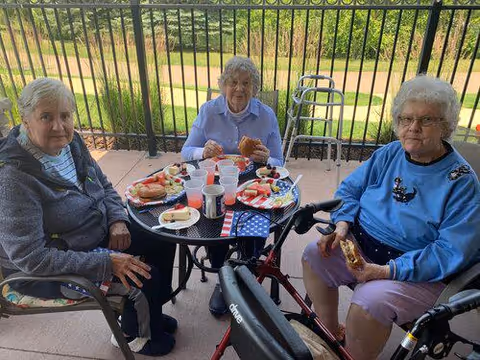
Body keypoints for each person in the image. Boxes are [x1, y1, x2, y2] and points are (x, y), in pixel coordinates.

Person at [302, 75, 480, 360]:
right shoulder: (390, 153)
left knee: (368, 302)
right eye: (406, 118)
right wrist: (343, 225)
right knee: (315, 255)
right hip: (362, 247)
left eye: (426, 120)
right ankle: (331, 332)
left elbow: (450, 252)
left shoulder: (461, 182)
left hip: (417, 272)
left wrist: (385, 272)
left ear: (445, 126)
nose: (413, 128)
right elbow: (350, 190)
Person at [0, 78, 178, 356]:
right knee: (145, 277)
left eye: (65, 115)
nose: (59, 126)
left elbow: (104, 186)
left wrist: (116, 220)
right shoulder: (14, 178)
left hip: (93, 233)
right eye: (46, 117)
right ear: (25, 120)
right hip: (44, 270)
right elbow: (30, 257)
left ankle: (147, 314)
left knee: (162, 236)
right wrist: (105, 262)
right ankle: (136, 335)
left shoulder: (72, 145)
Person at [181, 56, 284, 317]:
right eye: (234, 82)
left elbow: (279, 162)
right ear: (224, 85)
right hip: (217, 182)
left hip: (253, 185)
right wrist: (202, 150)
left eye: (246, 83)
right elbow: (186, 151)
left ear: (254, 88)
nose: (239, 89)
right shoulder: (208, 111)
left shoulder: (266, 115)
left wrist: (265, 158)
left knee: (255, 223)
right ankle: (222, 278)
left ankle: (246, 275)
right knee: (213, 218)